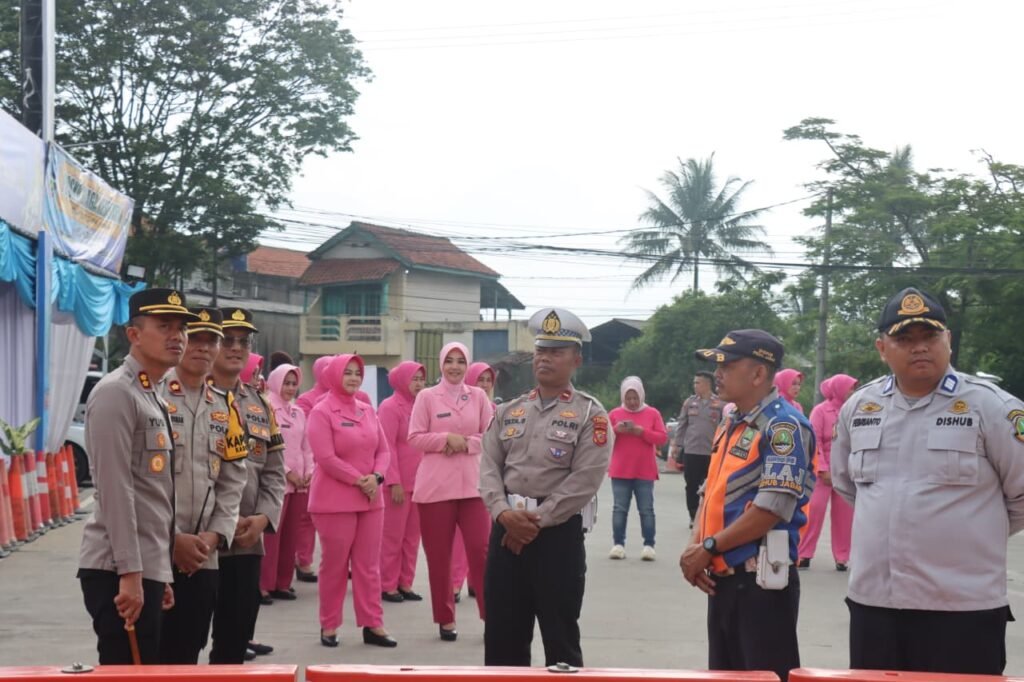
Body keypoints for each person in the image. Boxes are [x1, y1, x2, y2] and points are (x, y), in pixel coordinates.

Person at [831, 287, 1024, 675]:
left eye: (930, 337)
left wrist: (971, 533)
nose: (919, 347)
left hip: (961, 608)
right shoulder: (859, 407)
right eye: (905, 339)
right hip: (875, 605)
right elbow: (847, 484)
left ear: (948, 341)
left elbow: (1021, 497)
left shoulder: (994, 407)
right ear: (882, 348)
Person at [680, 329, 815, 682]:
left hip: (761, 584)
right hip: (723, 580)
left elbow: (771, 509)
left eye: (727, 364)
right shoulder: (732, 422)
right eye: (717, 365)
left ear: (758, 374)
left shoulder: (783, 426)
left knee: (765, 675)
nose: (718, 373)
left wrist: (709, 547)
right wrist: (696, 545)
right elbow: (711, 491)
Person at [479, 308, 611, 667]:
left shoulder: (590, 415)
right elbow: (489, 465)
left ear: (576, 360)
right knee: (502, 638)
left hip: (557, 538)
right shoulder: (510, 410)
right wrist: (503, 513)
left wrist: (534, 522)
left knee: (561, 639)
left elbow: (586, 479)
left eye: (555, 352)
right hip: (505, 530)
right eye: (540, 351)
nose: (544, 358)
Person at [77, 289, 198, 664]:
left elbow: (155, 493)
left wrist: (160, 571)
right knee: (127, 669)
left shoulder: (154, 394)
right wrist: (131, 572)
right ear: (133, 334)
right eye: (164, 326)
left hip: (145, 565)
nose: (176, 336)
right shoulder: (116, 392)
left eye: (180, 328)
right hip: (117, 568)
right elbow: (115, 489)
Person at [158, 307, 249, 664]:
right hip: (157, 552)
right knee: (152, 656)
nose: (203, 347)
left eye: (212, 340)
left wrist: (215, 536)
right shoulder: (154, 396)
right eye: (195, 337)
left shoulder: (226, 408)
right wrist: (172, 539)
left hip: (203, 556)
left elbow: (233, 478)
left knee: (189, 651)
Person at [208, 308, 287, 664]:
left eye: (244, 341)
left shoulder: (259, 404)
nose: (236, 348)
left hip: (245, 543)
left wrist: (263, 519)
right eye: (227, 339)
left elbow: (273, 471)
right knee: (182, 643)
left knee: (234, 644)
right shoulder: (182, 395)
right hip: (199, 546)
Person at [307, 354, 397, 648]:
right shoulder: (322, 412)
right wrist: (360, 479)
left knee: (369, 565)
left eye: (357, 373)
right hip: (335, 501)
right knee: (334, 565)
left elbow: (384, 451)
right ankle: (329, 625)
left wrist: (377, 477)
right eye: (347, 372)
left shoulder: (367, 410)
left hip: (371, 499)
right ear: (334, 375)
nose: (354, 378)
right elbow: (325, 457)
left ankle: (373, 624)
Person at [408, 342, 493, 641]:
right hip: (435, 489)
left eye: (460, 361)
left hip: (473, 487)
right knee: (439, 557)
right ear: (441, 364)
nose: (455, 366)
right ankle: (445, 619)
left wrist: (466, 444)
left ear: (467, 364)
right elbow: (415, 437)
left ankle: (490, 616)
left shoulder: (480, 397)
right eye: (450, 361)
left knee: (482, 551)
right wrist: (446, 439)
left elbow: (490, 437)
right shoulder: (427, 398)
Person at [259, 363, 314, 602]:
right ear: (275, 382)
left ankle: (283, 582)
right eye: (286, 383)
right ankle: (263, 584)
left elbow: (306, 446)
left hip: (299, 484)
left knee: (291, 536)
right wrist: (288, 472)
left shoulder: (298, 412)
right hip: (277, 482)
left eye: (294, 384)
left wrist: (309, 471)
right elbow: (265, 447)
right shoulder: (266, 407)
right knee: (272, 537)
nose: (290, 388)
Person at [796, 374, 857, 571]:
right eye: (850, 388)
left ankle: (842, 557)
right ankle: (804, 554)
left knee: (845, 517)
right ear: (838, 389)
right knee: (814, 512)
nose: (852, 392)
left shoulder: (853, 410)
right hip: (822, 473)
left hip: (844, 470)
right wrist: (822, 468)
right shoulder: (820, 411)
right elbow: (814, 442)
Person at [379, 361, 428, 603]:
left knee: (412, 538)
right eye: (414, 379)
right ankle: (387, 585)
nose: (419, 383)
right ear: (402, 380)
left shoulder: (423, 405)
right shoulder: (390, 407)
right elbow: (386, 446)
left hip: (420, 484)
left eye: (421, 379)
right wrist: (394, 481)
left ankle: (405, 583)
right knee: (392, 537)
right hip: (397, 486)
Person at [450, 361, 497, 601]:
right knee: (460, 537)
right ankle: (455, 582)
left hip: (487, 476)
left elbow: (495, 442)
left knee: (483, 538)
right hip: (463, 474)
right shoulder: (462, 403)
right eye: (481, 379)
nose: (485, 384)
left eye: (489, 380)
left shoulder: (496, 409)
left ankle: (476, 582)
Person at [607, 376, 667, 561]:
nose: (632, 402)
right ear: (623, 397)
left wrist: (643, 432)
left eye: (635, 398)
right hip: (620, 469)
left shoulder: (652, 413)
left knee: (646, 509)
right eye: (628, 398)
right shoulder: (615, 414)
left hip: (644, 470)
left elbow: (662, 438)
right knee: (619, 509)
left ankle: (649, 545)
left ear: (641, 396)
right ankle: (618, 544)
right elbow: (602, 437)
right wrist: (616, 430)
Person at [668, 371, 723, 527]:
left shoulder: (720, 404)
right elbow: (682, 424)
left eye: (698, 383)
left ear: (707, 384)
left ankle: (707, 515)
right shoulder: (689, 403)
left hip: (711, 452)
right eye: (694, 383)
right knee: (691, 485)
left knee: (711, 486)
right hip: (691, 450)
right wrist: (677, 446)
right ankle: (693, 517)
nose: (695, 386)